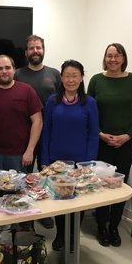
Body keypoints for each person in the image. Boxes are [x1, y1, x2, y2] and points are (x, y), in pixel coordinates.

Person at [87, 43, 132, 247]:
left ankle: (114, 227)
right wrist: (100, 134)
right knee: (102, 182)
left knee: (120, 183)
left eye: (117, 56)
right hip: (101, 142)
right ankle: (101, 226)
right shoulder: (96, 80)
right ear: (105, 58)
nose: (113, 59)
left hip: (126, 143)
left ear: (123, 58)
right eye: (109, 56)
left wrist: (127, 136)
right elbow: (89, 112)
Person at [41, 59, 99, 251]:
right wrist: (44, 161)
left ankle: (74, 236)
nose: (71, 79)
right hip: (55, 161)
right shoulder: (52, 101)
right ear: (61, 78)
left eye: (75, 75)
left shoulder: (89, 103)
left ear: (82, 78)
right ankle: (60, 234)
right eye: (67, 75)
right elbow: (46, 131)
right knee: (59, 200)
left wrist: (88, 164)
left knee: (78, 201)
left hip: (79, 162)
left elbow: (93, 134)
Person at [14, 34, 61, 229]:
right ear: (26, 52)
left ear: (43, 50)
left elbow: (61, 102)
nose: (35, 51)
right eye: (32, 48)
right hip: (23, 135)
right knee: (23, 177)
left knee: (45, 176)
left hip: (49, 136)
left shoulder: (55, 74)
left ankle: (44, 211)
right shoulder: (17, 74)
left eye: (38, 48)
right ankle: (26, 218)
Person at [0, 55, 43, 172]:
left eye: (7, 68)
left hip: (20, 155)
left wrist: (30, 150)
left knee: (18, 189)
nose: (4, 71)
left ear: (14, 69)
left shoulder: (27, 90)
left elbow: (37, 121)